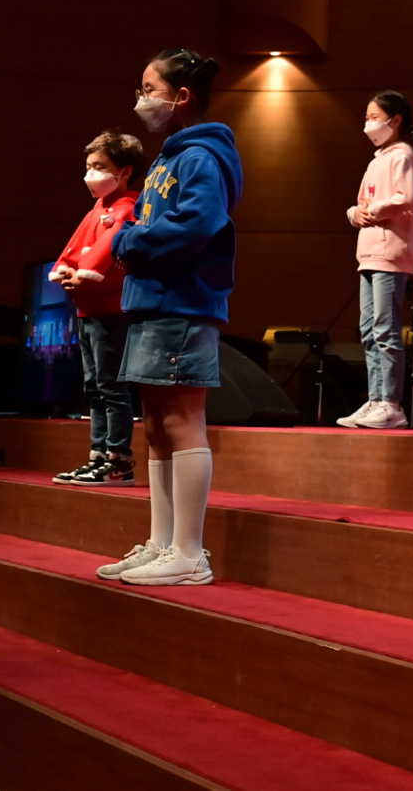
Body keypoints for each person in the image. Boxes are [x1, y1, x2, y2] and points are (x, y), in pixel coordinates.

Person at [95, 49, 242, 588]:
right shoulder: (167, 159)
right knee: (155, 427)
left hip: (183, 303)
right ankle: (162, 544)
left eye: (149, 88)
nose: (141, 99)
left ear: (181, 96)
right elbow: (145, 219)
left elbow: (199, 222)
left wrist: (131, 242)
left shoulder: (202, 155)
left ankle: (189, 552)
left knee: (181, 422)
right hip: (153, 302)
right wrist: (130, 238)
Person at [49, 131, 145, 487]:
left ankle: (119, 460)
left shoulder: (129, 207)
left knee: (111, 387)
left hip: (111, 311)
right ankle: (99, 456)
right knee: (94, 387)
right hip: (87, 311)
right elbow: (76, 247)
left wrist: (84, 274)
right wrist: (65, 268)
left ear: (124, 171)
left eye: (99, 166)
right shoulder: (99, 208)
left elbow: (106, 251)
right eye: (88, 166)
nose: (90, 174)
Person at [339, 91, 413, 431]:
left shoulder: (402, 155)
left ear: (395, 120)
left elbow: (406, 196)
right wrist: (353, 213)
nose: (368, 124)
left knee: (386, 329)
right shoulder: (377, 159)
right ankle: (376, 399)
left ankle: (391, 404)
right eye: (367, 118)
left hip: (390, 252)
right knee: (369, 330)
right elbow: (361, 202)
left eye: (374, 117)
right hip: (369, 253)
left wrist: (371, 211)